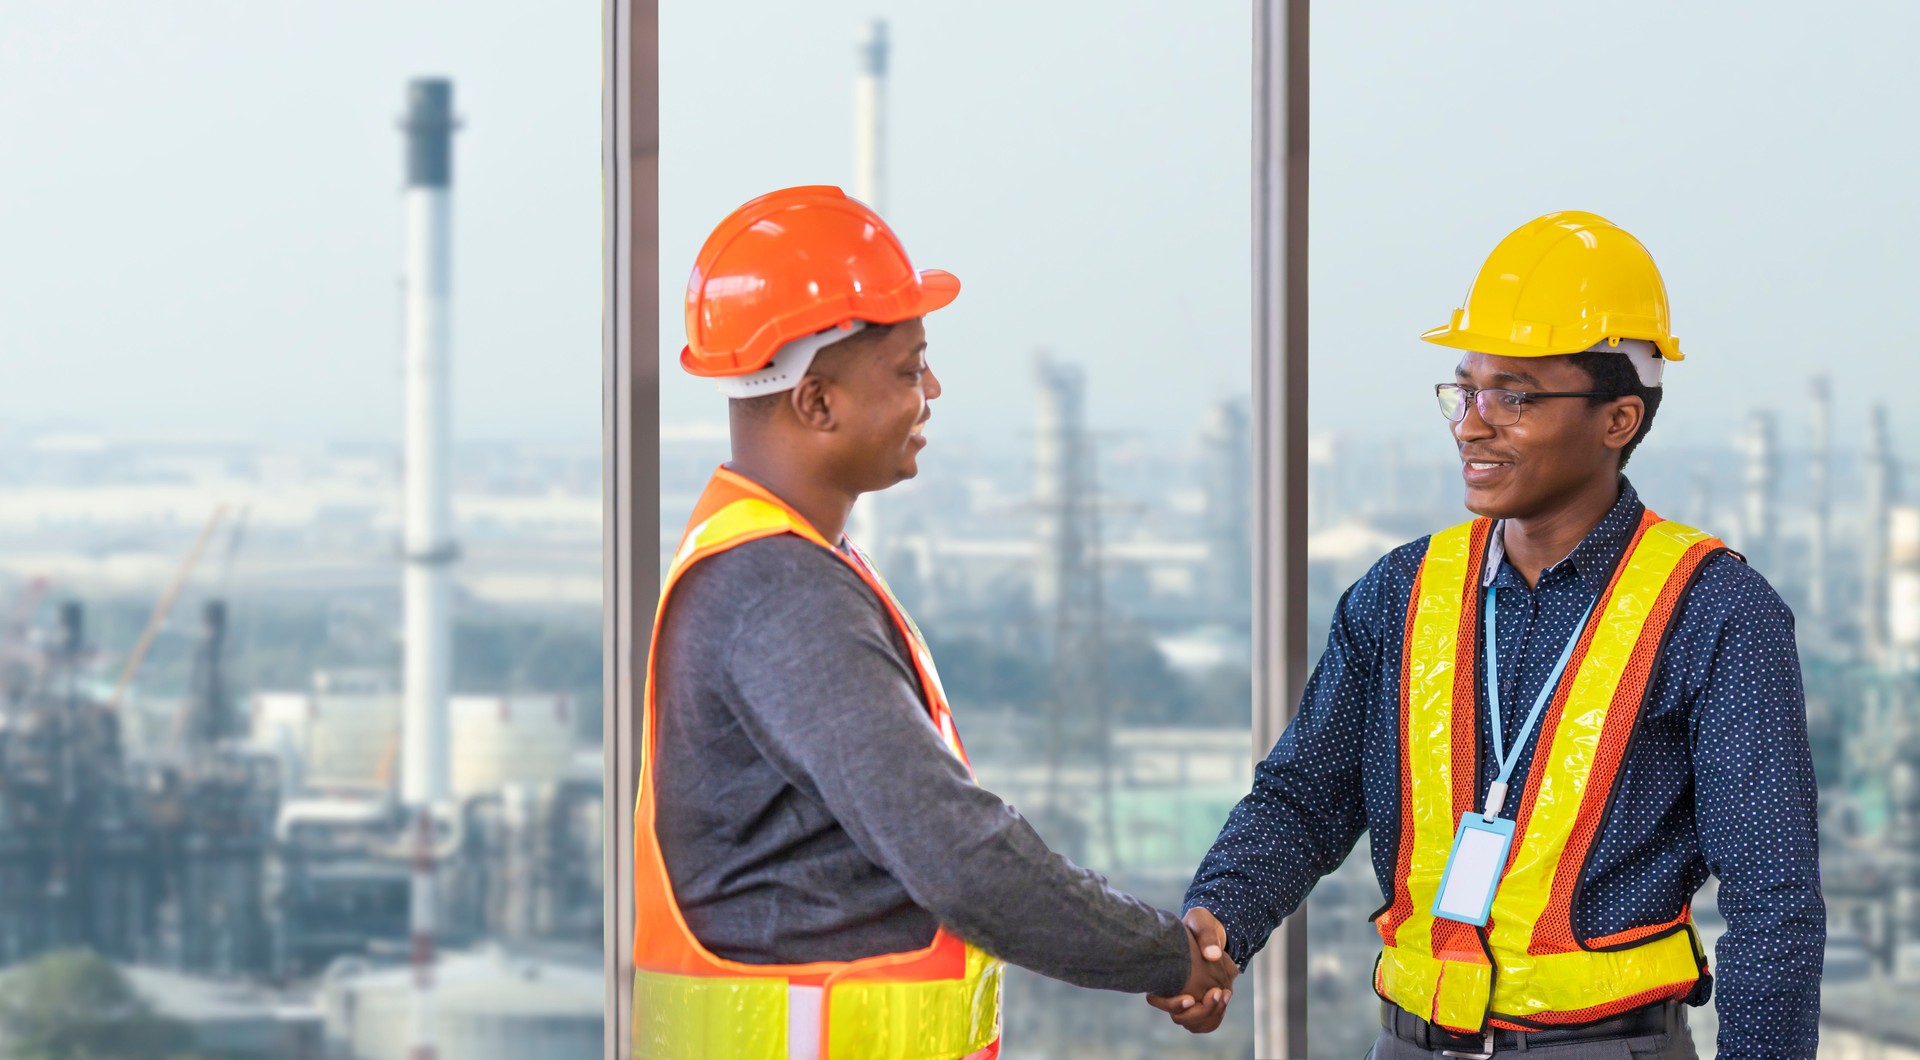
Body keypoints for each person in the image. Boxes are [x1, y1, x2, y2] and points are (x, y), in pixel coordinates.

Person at [1161, 212, 1825, 1056]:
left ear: (1618, 420)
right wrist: (1217, 925)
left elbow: (1775, 903)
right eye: (1464, 390)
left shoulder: (1716, 613)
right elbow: (1305, 797)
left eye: (1513, 396)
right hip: (1409, 1042)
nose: (1471, 424)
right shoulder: (1402, 592)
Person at [630, 186, 1235, 1060]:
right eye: (910, 368)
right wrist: (1167, 954)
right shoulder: (780, 591)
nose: (934, 389)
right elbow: (960, 856)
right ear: (816, 402)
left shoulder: (779, 565)